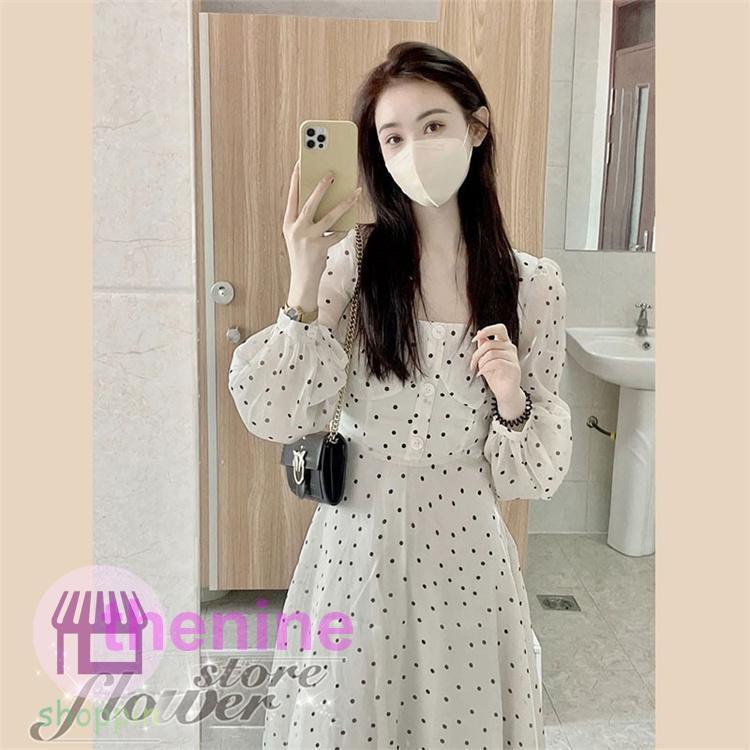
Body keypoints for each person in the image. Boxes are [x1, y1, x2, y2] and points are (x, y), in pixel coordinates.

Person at [228, 41, 572, 750]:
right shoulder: (352, 264)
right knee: (346, 719)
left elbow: (534, 476)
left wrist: (511, 396)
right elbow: (275, 412)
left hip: (468, 548)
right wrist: (300, 279)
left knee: (460, 722)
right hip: (358, 541)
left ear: (476, 128)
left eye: (433, 125)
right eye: (392, 137)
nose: (413, 149)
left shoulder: (532, 284)